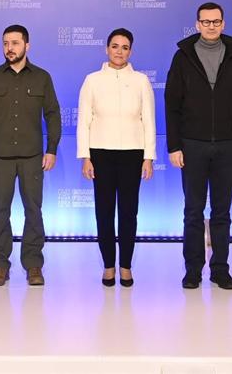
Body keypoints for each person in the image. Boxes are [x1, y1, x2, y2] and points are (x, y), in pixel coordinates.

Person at [165, 2, 232, 290]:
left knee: (222, 213)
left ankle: (220, 269)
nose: (211, 26)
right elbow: (172, 105)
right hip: (191, 145)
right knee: (193, 211)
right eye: (206, 22)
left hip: (229, 146)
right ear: (197, 25)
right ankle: (193, 270)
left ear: (223, 24)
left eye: (216, 21)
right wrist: (174, 146)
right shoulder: (182, 58)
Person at [0, 25, 61, 286]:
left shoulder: (42, 78)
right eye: (5, 44)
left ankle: (34, 264)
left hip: (32, 156)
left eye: (15, 43)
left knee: (33, 210)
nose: (9, 48)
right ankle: (0, 264)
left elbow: (53, 114)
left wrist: (52, 149)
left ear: (27, 46)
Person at [77, 28, 156, 287]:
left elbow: (148, 121)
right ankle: (108, 266)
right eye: (114, 46)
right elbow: (84, 121)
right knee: (104, 213)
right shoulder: (92, 80)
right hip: (101, 154)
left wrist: (148, 157)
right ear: (106, 49)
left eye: (124, 47)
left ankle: (126, 267)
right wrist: (85, 157)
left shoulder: (141, 81)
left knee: (128, 213)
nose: (119, 51)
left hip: (133, 154)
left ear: (130, 51)